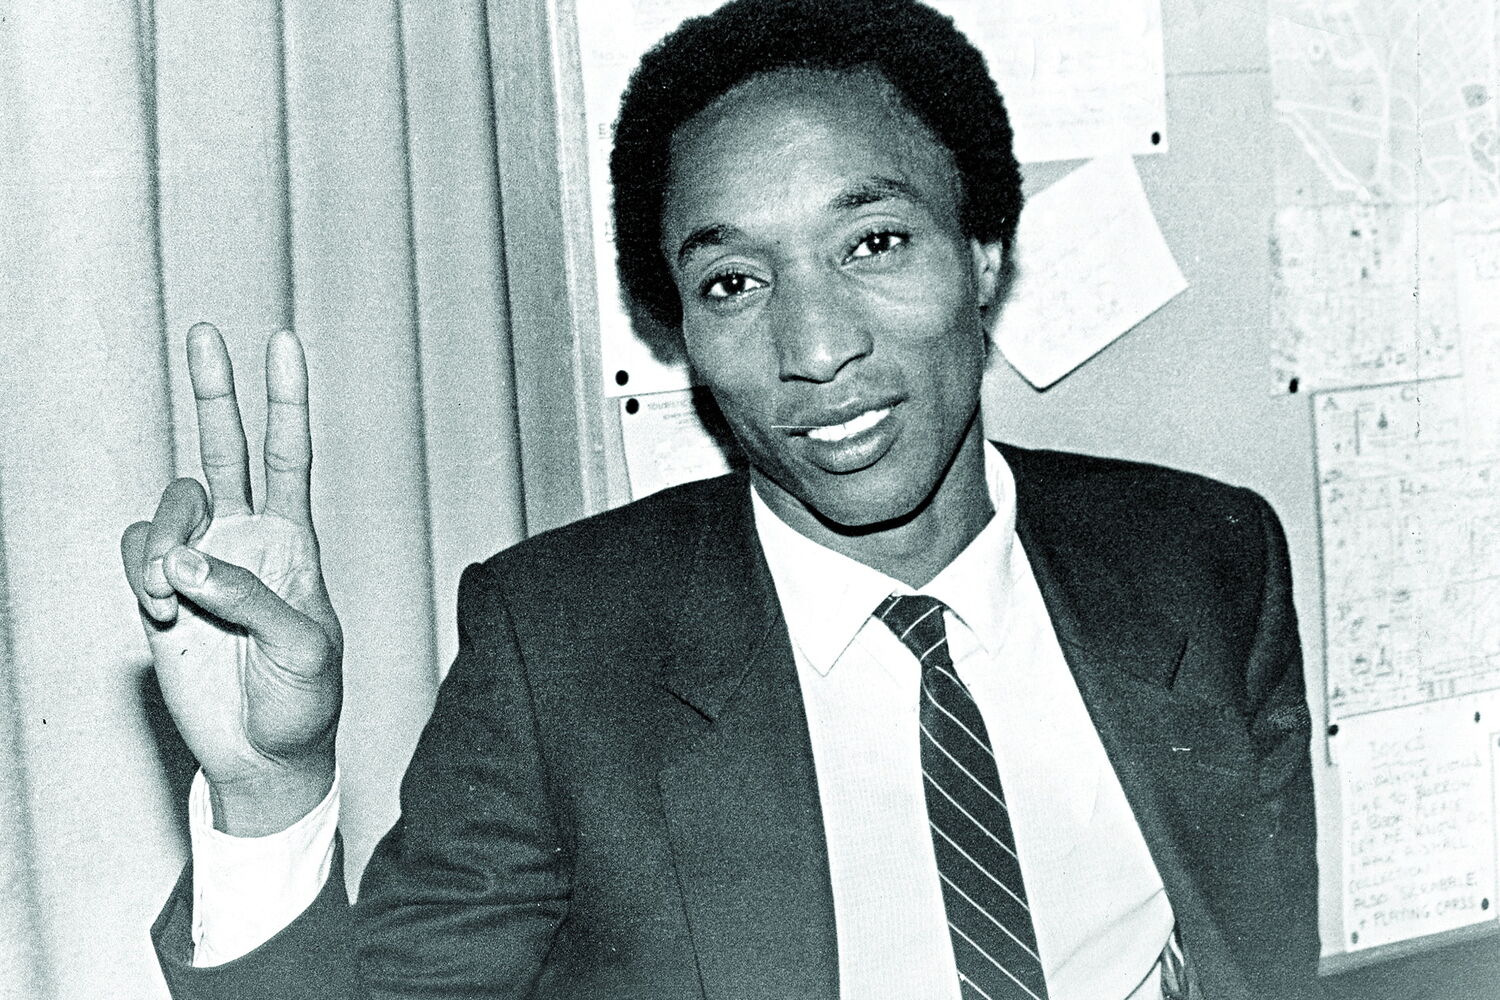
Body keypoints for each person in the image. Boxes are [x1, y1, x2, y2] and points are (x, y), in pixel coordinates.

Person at [122, 0, 1321, 997]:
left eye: (875, 242)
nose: (817, 347)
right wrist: (270, 793)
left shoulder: (1202, 560)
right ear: (682, 331)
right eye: (735, 280)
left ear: (983, 253)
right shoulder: (567, 646)